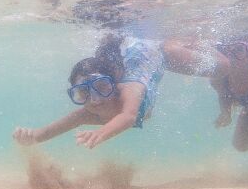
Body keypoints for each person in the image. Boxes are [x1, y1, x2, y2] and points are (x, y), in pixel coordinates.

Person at [13, 34, 164, 149]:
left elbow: (129, 117)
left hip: (147, 52)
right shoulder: (88, 113)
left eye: (102, 87)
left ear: (115, 84)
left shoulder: (131, 89)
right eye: (84, 93)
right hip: (132, 61)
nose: (95, 100)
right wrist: (28, 137)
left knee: (188, 67)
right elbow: (39, 135)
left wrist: (101, 133)